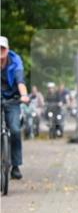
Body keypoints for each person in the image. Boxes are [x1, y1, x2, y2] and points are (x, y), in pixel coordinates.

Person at [1, 36, 30, 179]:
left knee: (15, 130)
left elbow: (20, 80)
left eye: (3, 49)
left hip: (13, 99)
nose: (0, 52)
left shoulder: (15, 60)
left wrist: (24, 95)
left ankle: (15, 166)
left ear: (7, 49)